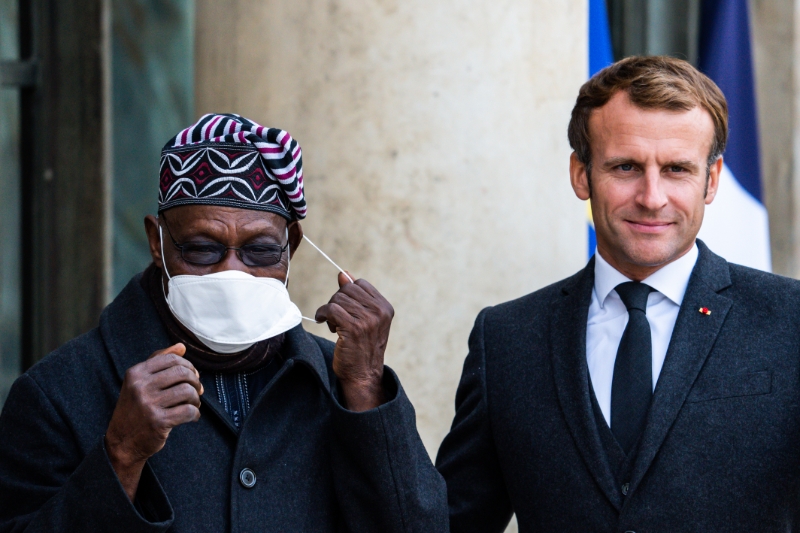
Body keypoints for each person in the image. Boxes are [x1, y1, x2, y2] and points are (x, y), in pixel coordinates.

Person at [0, 114, 447, 532]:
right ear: (158, 244)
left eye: (260, 251)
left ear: (290, 247)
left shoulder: (341, 384)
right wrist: (120, 454)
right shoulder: (59, 392)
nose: (231, 272)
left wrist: (367, 390)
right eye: (201, 248)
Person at [435, 56, 800, 531]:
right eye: (626, 167)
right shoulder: (506, 339)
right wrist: (368, 398)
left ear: (711, 181)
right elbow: (450, 522)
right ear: (581, 174)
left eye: (676, 169)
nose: (651, 197)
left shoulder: (790, 322)